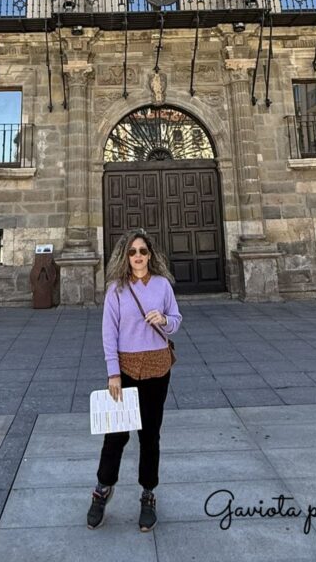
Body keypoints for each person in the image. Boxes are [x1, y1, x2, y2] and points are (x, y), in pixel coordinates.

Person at [87, 228, 182, 533]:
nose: (138, 257)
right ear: (124, 256)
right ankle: (102, 489)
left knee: (150, 435)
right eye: (132, 252)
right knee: (115, 434)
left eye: (142, 251)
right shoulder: (116, 290)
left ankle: (148, 493)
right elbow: (108, 334)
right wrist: (113, 373)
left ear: (150, 255)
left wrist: (165, 320)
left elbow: (176, 320)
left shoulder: (163, 286)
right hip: (126, 369)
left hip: (157, 368)